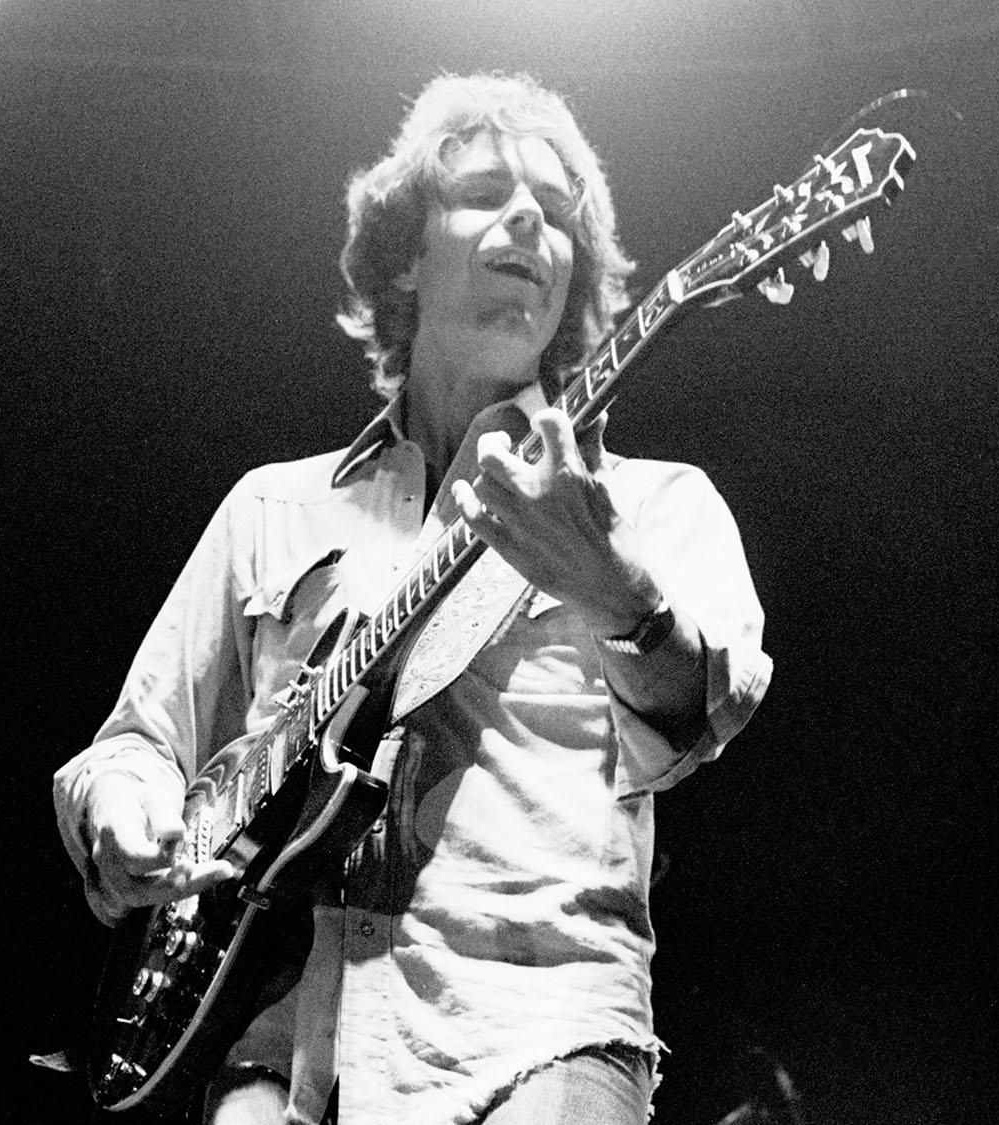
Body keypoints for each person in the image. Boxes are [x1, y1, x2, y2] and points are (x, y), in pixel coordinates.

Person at [51, 72, 773, 1125]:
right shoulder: (272, 507)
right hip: (275, 1052)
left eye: (556, 211)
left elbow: (701, 716)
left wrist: (615, 590)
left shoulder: (652, 505)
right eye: (482, 193)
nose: (528, 220)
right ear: (405, 254)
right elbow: (134, 747)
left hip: (537, 1035)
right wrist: (123, 815)